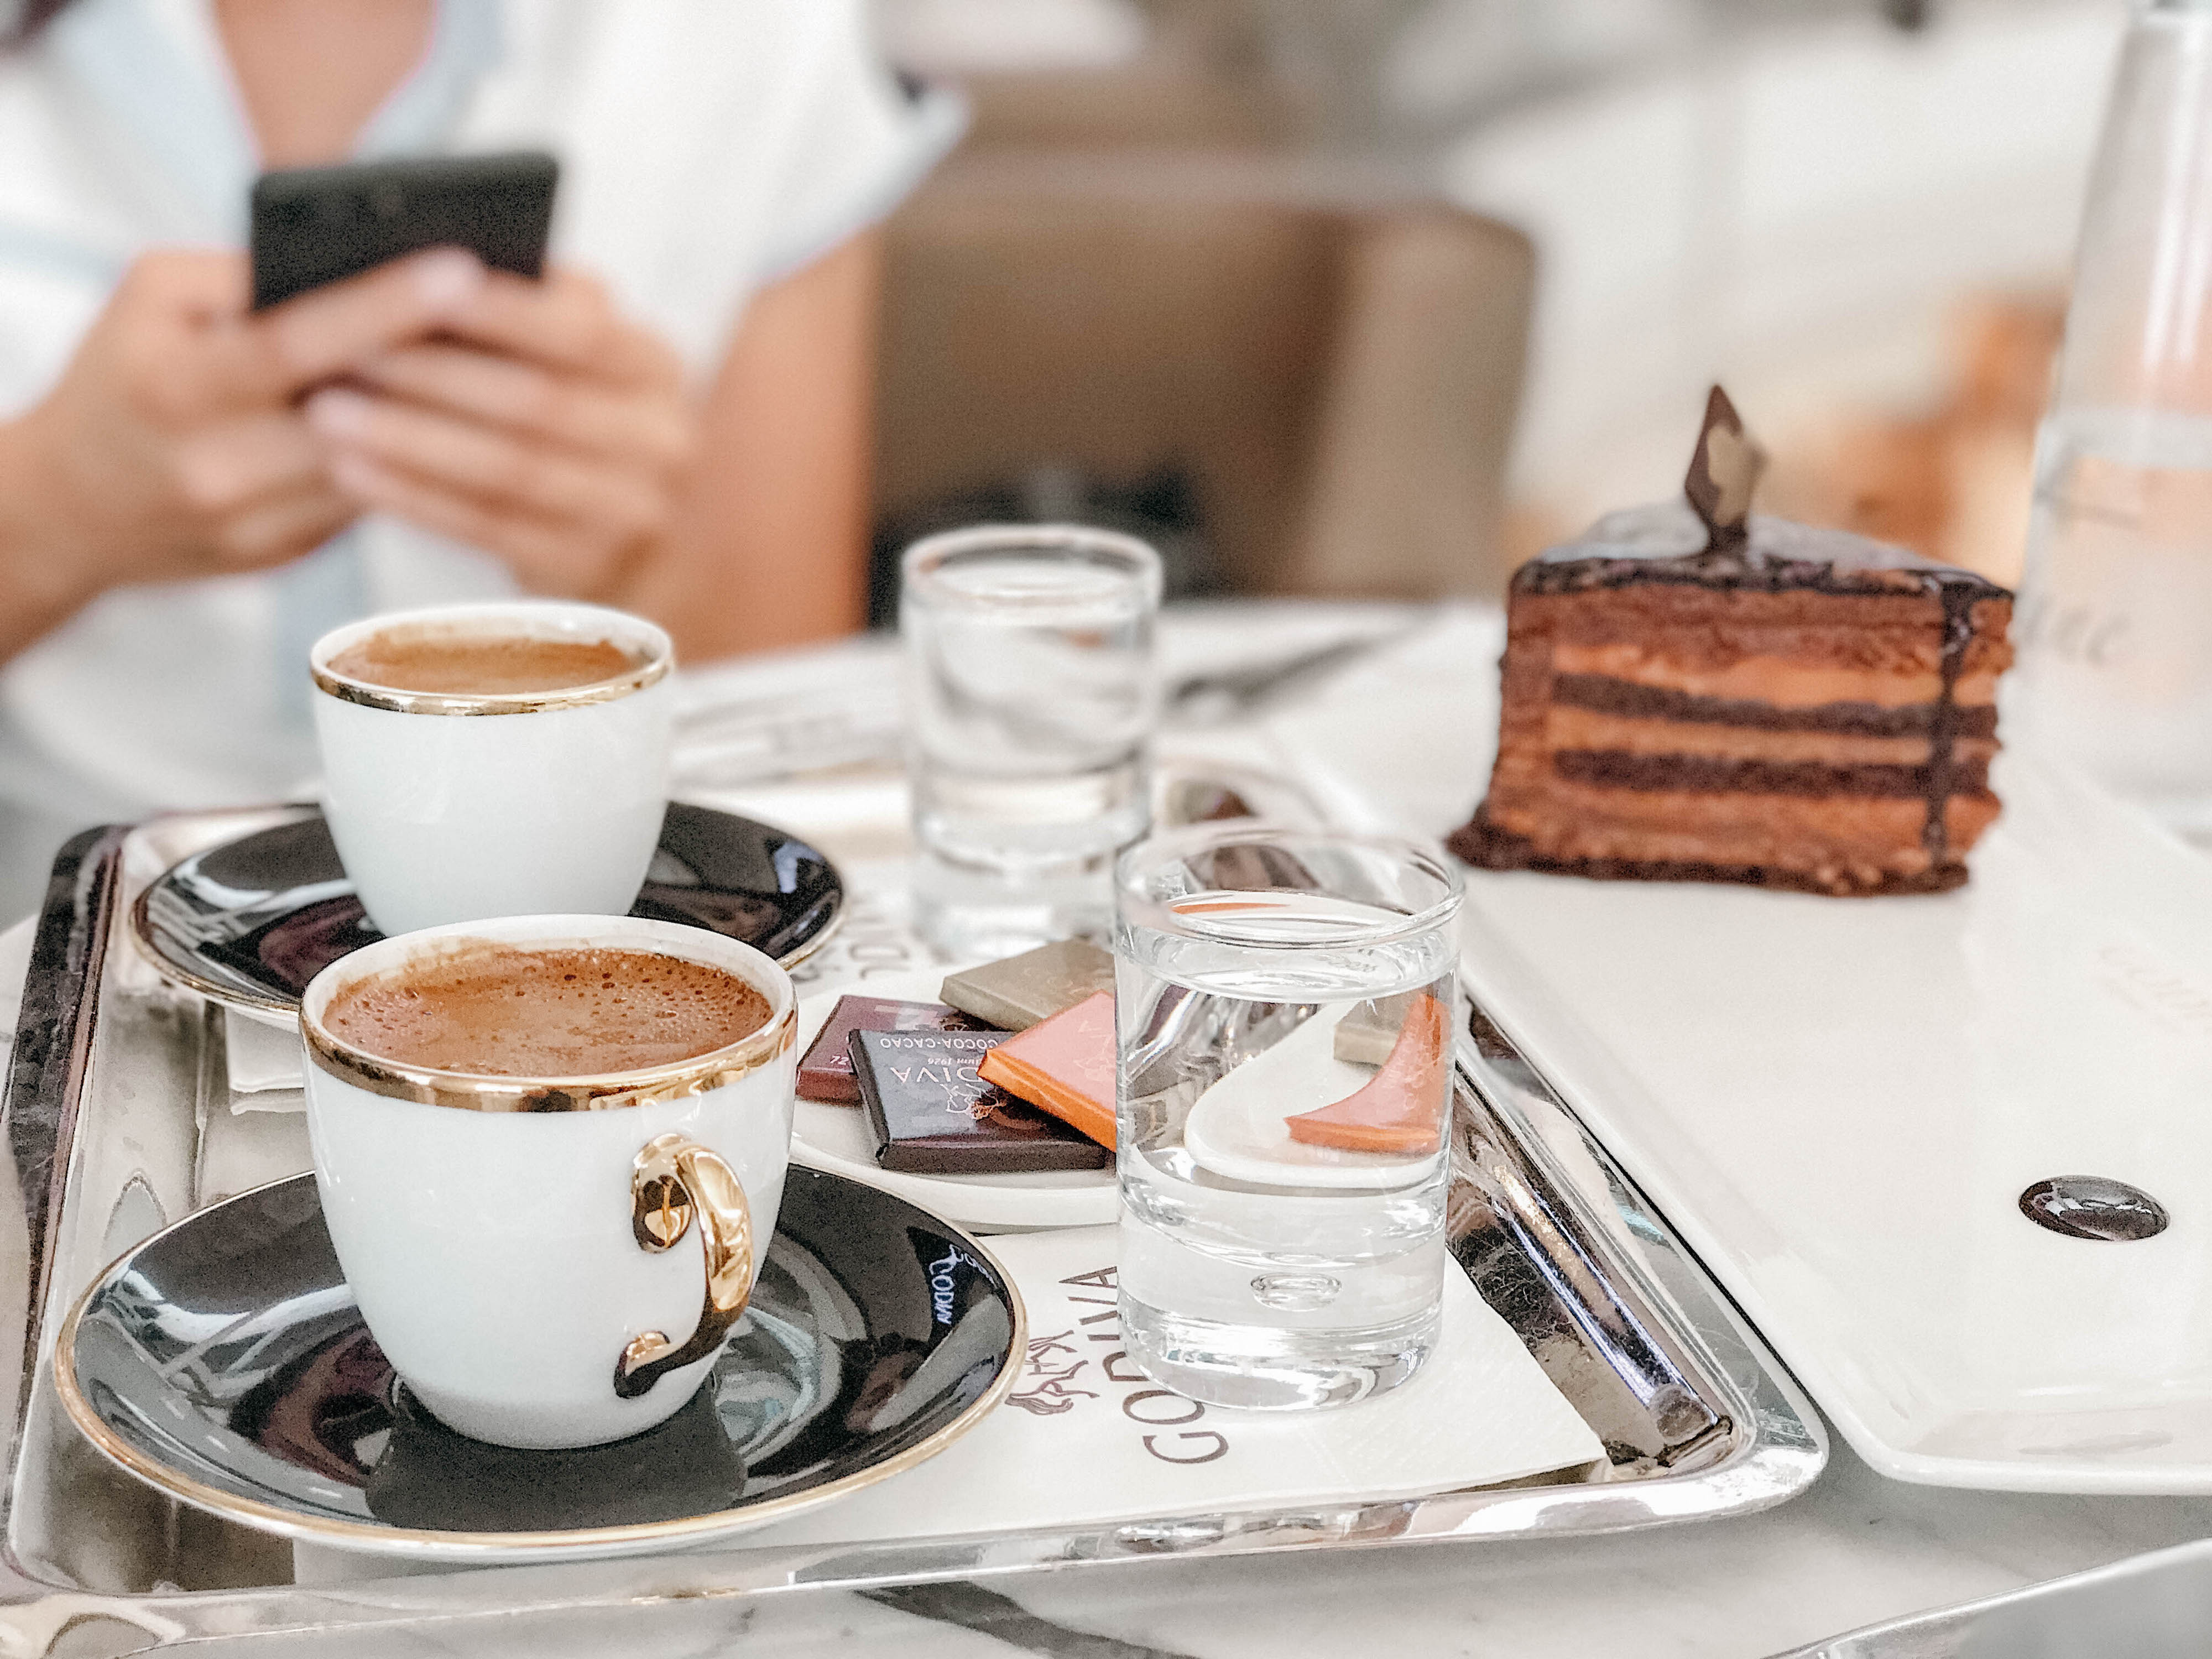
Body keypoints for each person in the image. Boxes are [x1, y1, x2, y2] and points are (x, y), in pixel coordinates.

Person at [0, 0, 958, 920]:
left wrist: (635, 572)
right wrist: (49, 515)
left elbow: (788, 724)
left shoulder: (757, 30)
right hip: (57, 904)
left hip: (575, 896)